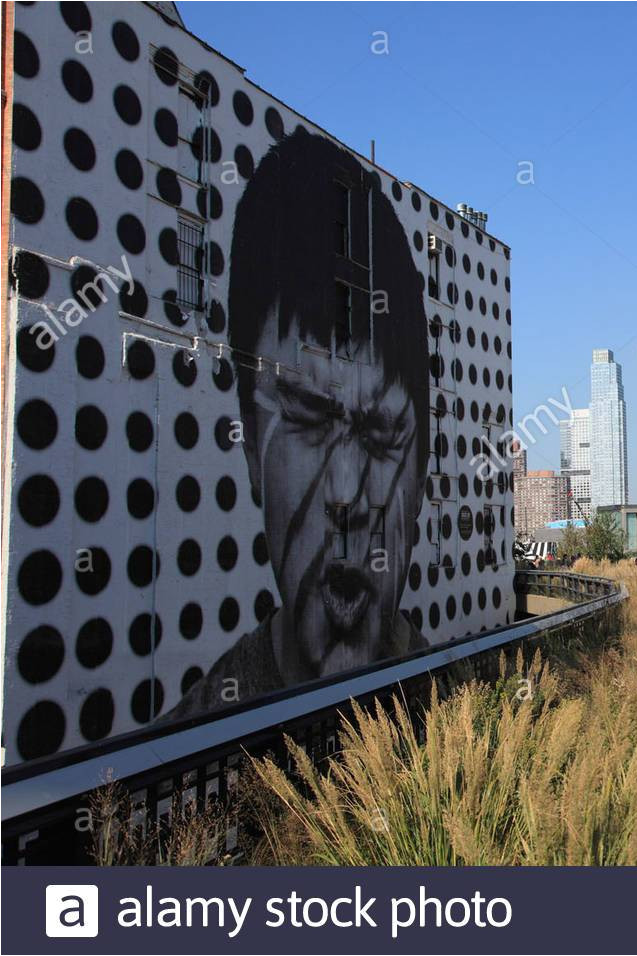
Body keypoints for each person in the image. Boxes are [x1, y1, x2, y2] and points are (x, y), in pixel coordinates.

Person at [169, 130, 433, 719]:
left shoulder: (460, 713)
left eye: (381, 434)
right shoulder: (184, 741)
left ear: (422, 474)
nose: (346, 494)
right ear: (248, 443)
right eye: (309, 420)